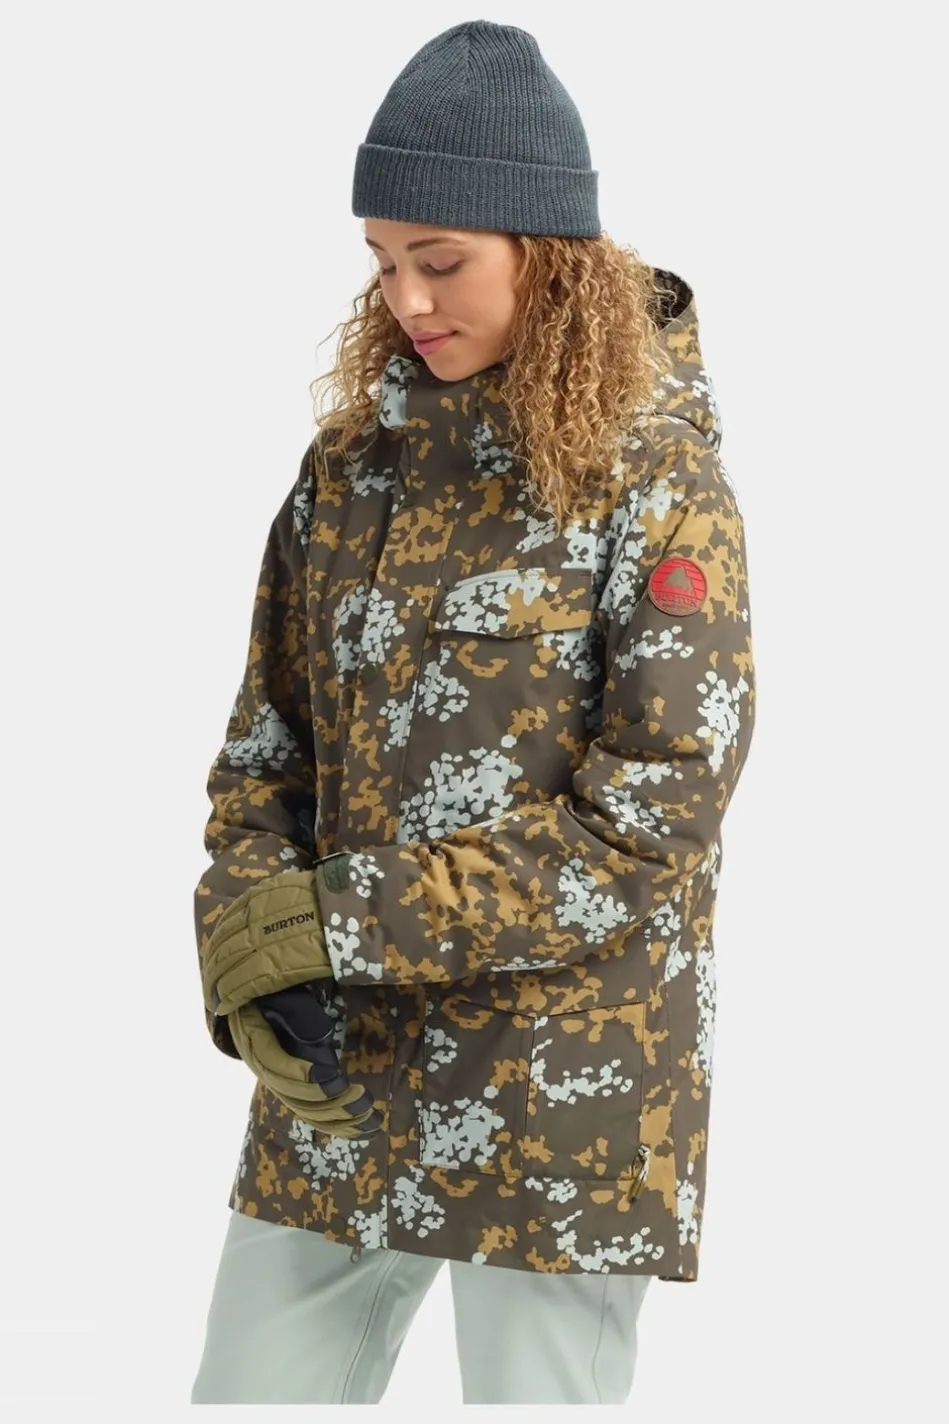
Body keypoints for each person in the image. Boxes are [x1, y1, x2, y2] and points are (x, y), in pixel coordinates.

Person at [188, 18, 757, 1407]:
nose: (407, 297)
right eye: (382, 260)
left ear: (547, 255)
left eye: (440, 261)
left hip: (561, 1094)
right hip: (341, 1081)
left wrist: (337, 922)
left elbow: (651, 818)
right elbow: (265, 747)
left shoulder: (655, 485)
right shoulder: (350, 470)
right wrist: (254, 947)